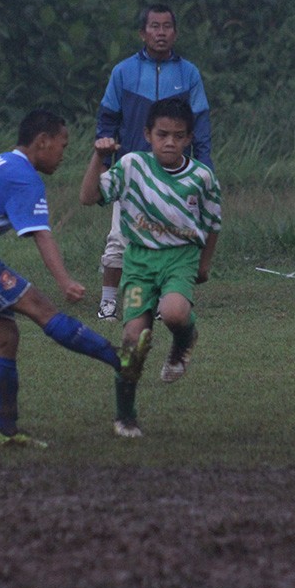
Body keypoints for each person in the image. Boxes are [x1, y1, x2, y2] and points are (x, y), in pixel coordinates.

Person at [0, 109, 149, 447]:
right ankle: (120, 359)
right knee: (42, 309)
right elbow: (41, 235)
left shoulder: (1, 162)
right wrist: (65, 281)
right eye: (63, 146)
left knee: (6, 336)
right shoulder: (24, 176)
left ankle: (5, 432)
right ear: (43, 142)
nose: (64, 155)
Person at [80, 98, 221, 438]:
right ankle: (125, 415)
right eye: (162, 134)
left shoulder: (202, 177)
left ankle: (183, 339)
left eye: (178, 135)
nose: (170, 142)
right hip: (140, 259)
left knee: (173, 313)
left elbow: (213, 225)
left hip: (180, 257)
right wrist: (99, 156)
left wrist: (204, 264)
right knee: (133, 339)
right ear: (147, 135)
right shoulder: (131, 166)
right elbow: (87, 197)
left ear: (188, 138)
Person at [93, 3, 213, 321]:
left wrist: (206, 168)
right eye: (154, 26)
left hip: (176, 174)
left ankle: (164, 301)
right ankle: (108, 301)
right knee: (119, 239)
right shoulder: (124, 72)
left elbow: (200, 124)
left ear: (175, 32)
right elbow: (107, 119)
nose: (161, 33)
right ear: (142, 32)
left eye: (167, 27)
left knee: (172, 237)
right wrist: (105, 164)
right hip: (133, 174)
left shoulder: (188, 73)